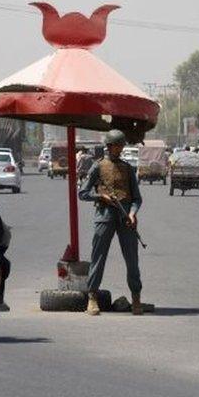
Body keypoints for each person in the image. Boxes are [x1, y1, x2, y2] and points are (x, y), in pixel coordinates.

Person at [78, 129, 144, 316]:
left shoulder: (128, 168)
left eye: (122, 145)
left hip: (125, 219)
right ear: (109, 146)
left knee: (132, 260)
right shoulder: (97, 167)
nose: (120, 149)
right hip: (104, 216)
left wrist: (132, 213)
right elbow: (83, 193)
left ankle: (136, 297)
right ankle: (92, 297)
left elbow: (137, 199)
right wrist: (101, 197)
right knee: (98, 258)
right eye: (117, 145)